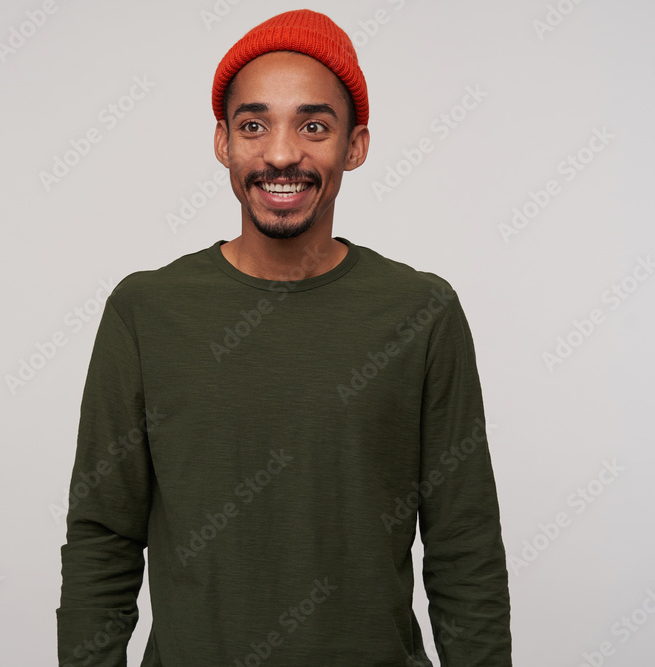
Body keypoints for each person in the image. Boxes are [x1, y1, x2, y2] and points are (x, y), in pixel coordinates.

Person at [56, 9, 511, 666]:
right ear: (223, 142)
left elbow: (464, 544)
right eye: (254, 125)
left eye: (314, 125)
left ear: (355, 144)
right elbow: (103, 538)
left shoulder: (422, 312)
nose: (280, 153)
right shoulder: (146, 310)